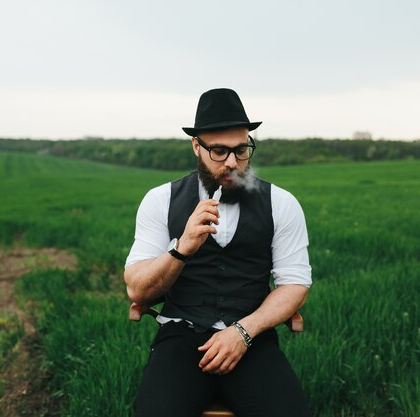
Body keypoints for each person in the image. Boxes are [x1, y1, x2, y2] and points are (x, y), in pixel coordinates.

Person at [124, 88, 312, 417]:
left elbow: (295, 284)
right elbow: (138, 289)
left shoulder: (282, 204)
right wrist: (181, 249)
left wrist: (244, 332)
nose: (232, 163)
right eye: (219, 151)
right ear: (196, 146)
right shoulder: (160, 200)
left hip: (252, 337)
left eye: (241, 150)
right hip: (181, 339)